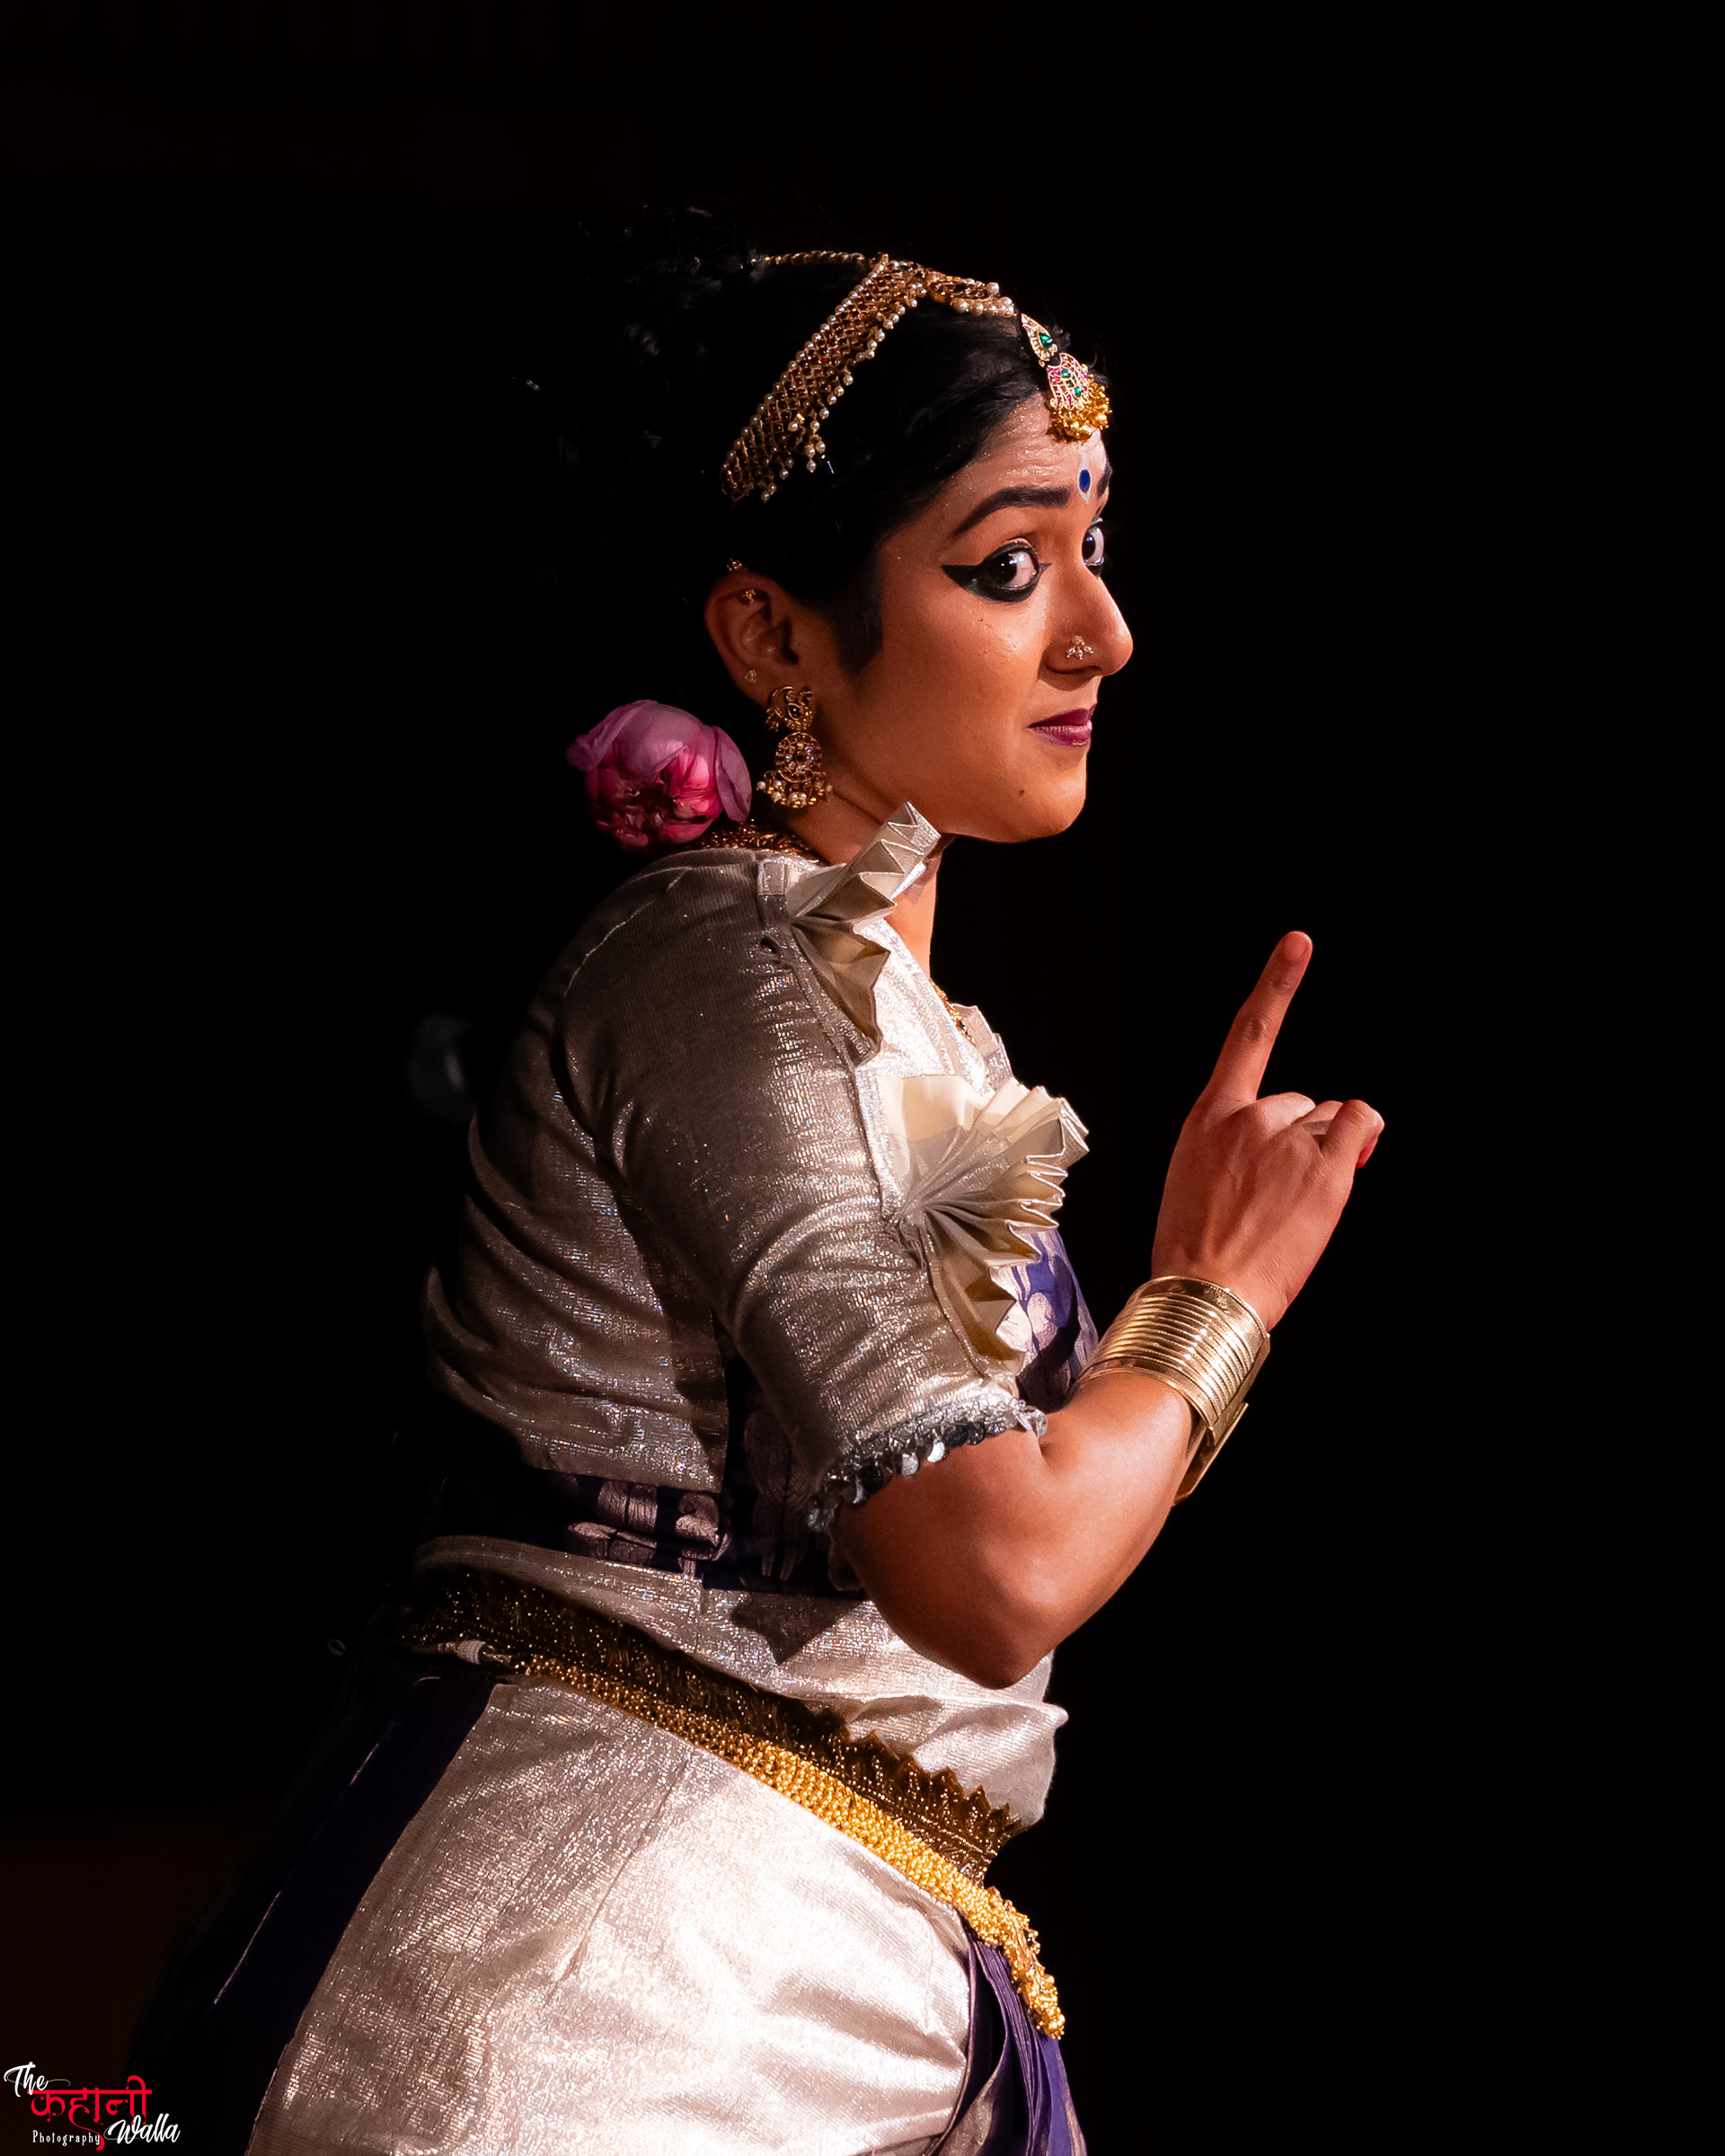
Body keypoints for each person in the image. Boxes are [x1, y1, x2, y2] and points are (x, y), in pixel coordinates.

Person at [137, 228, 1382, 2155]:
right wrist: (1216, 1299)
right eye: (1008, 566)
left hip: (775, 1968)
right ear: (770, 636)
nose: (1102, 634)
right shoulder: (730, 972)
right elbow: (996, 1573)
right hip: (586, 2015)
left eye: (1096, 547)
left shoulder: (884, 1015)